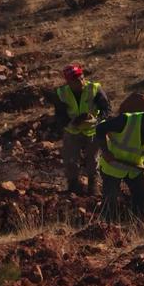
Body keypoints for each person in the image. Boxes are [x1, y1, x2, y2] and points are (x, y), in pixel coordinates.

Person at [54, 64, 111, 195]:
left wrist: (97, 120)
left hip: (92, 130)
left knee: (93, 161)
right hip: (72, 131)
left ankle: (93, 187)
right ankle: (73, 187)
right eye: (75, 80)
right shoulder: (61, 93)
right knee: (71, 161)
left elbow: (106, 109)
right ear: (68, 82)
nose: (80, 82)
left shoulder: (94, 88)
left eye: (81, 78)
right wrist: (70, 123)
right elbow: (59, 114)